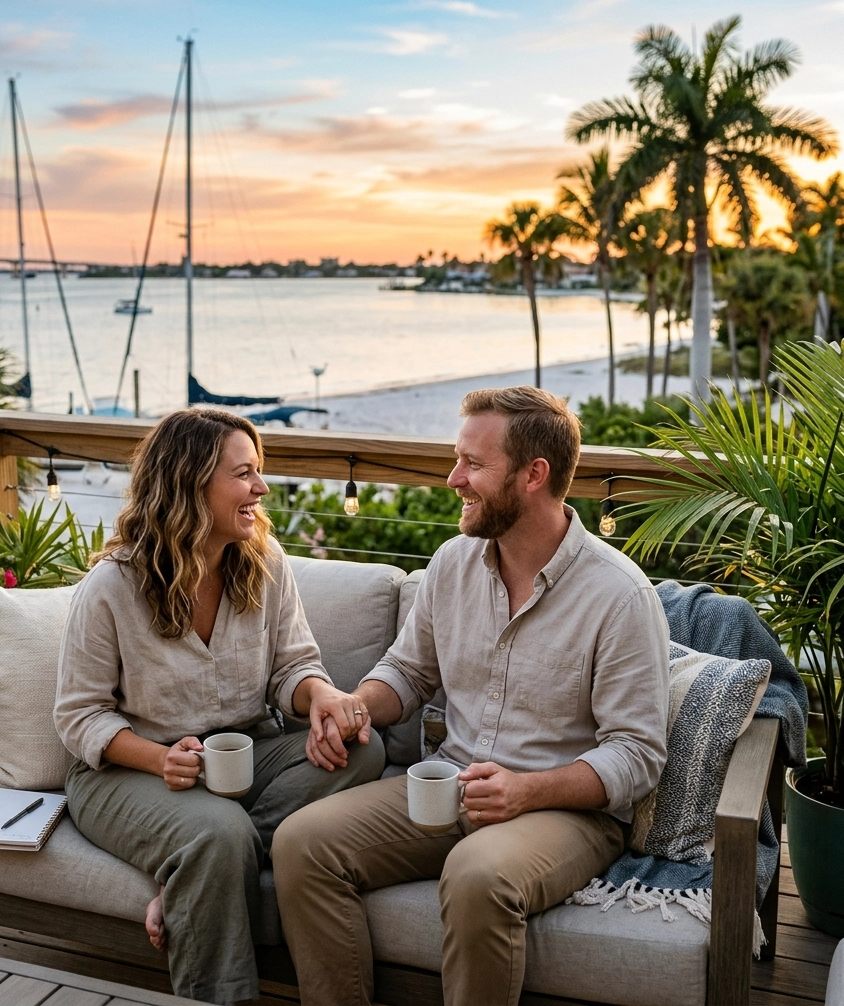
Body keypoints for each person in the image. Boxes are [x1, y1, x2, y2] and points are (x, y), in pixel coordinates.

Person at [272, 386, 670, 1006]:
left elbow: (637, 755)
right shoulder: (452, 564)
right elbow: (407, 671)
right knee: (302, 844)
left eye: (474, 465)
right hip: (449, 785)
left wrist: (526, 790)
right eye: (457, 459)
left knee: (479, 874)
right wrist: (354, 707)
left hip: (563, 812)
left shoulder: (619, 596)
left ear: (534, 475)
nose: (453, 478)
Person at [54, 408, 384, 1006]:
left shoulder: (265, 562)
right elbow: (80, 717)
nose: (260, 488)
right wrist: (160, 761)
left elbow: (293, 669)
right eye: (244, 474)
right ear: (190, 483)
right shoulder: (112, 586)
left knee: (364, 750)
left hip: (244, 755)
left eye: (259, 473)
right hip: (127, 772)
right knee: (220, 832)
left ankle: (189, 880)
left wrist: (326, 698)